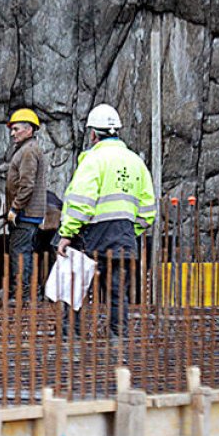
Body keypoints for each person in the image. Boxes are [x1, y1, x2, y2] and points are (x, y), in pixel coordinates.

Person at [55, 103, 156, 340]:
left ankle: (72, 339)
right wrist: (132, 231)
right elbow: (148, 211)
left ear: (93, 134)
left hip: (91, 236)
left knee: (76, 290)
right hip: (124, 237)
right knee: (117, 294)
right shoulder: (136, 162)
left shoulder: (93, 160)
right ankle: (117, 342)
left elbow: (81, 201)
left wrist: (67, 233)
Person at [4, 108, 49, 300]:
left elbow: (27, 184)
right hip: (29, 213)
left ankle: (24, 294)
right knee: (25, 252)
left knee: (20, 253)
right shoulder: (28, 149)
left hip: (26, 213)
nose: (13, 133)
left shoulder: (29, 151)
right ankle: (28, 292)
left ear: (29, 129)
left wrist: (15, 208)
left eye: (16, 129)